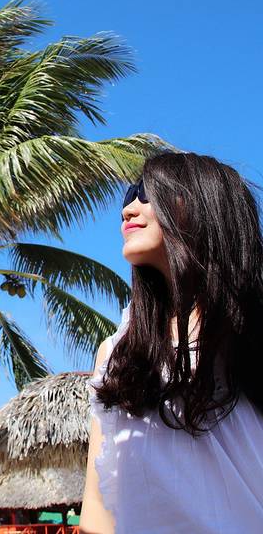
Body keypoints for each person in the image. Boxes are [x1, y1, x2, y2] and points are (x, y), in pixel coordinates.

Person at [80, 152, 263, 533]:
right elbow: (96, 510)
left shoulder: (251, 335)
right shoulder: (117, 354)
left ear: (206, 201)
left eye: (146, 192)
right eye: (129, 195)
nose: (129, 208)